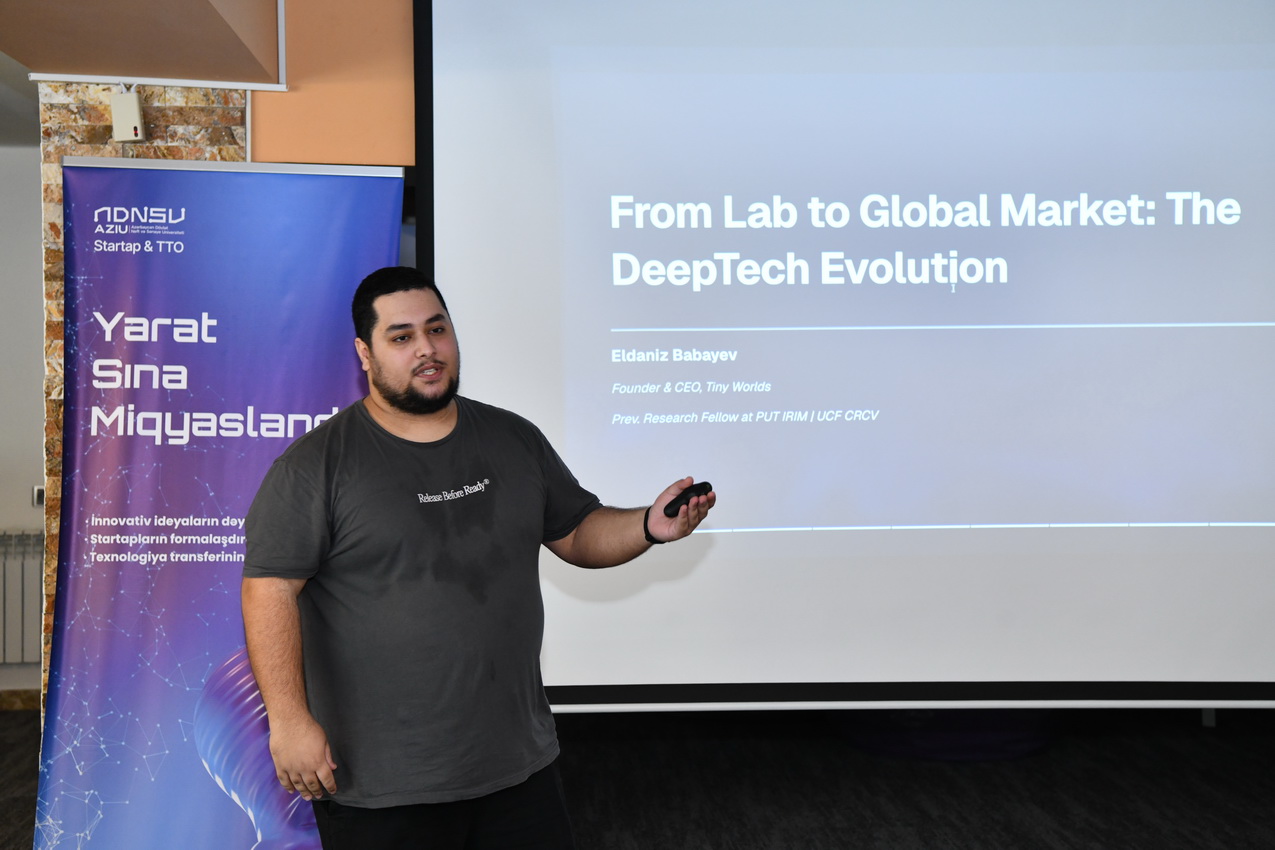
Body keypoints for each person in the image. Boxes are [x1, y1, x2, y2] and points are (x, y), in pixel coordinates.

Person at [241, 266, 715, 849]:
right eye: (402, 336)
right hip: (383, 785)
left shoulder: (513, 438)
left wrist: (647, 525)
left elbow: (577, 532)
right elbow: (269, 590)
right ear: (365, 354)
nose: (426, 349)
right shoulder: (315, 467)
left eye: (437, 329)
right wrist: (289, 722)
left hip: (517, 769)